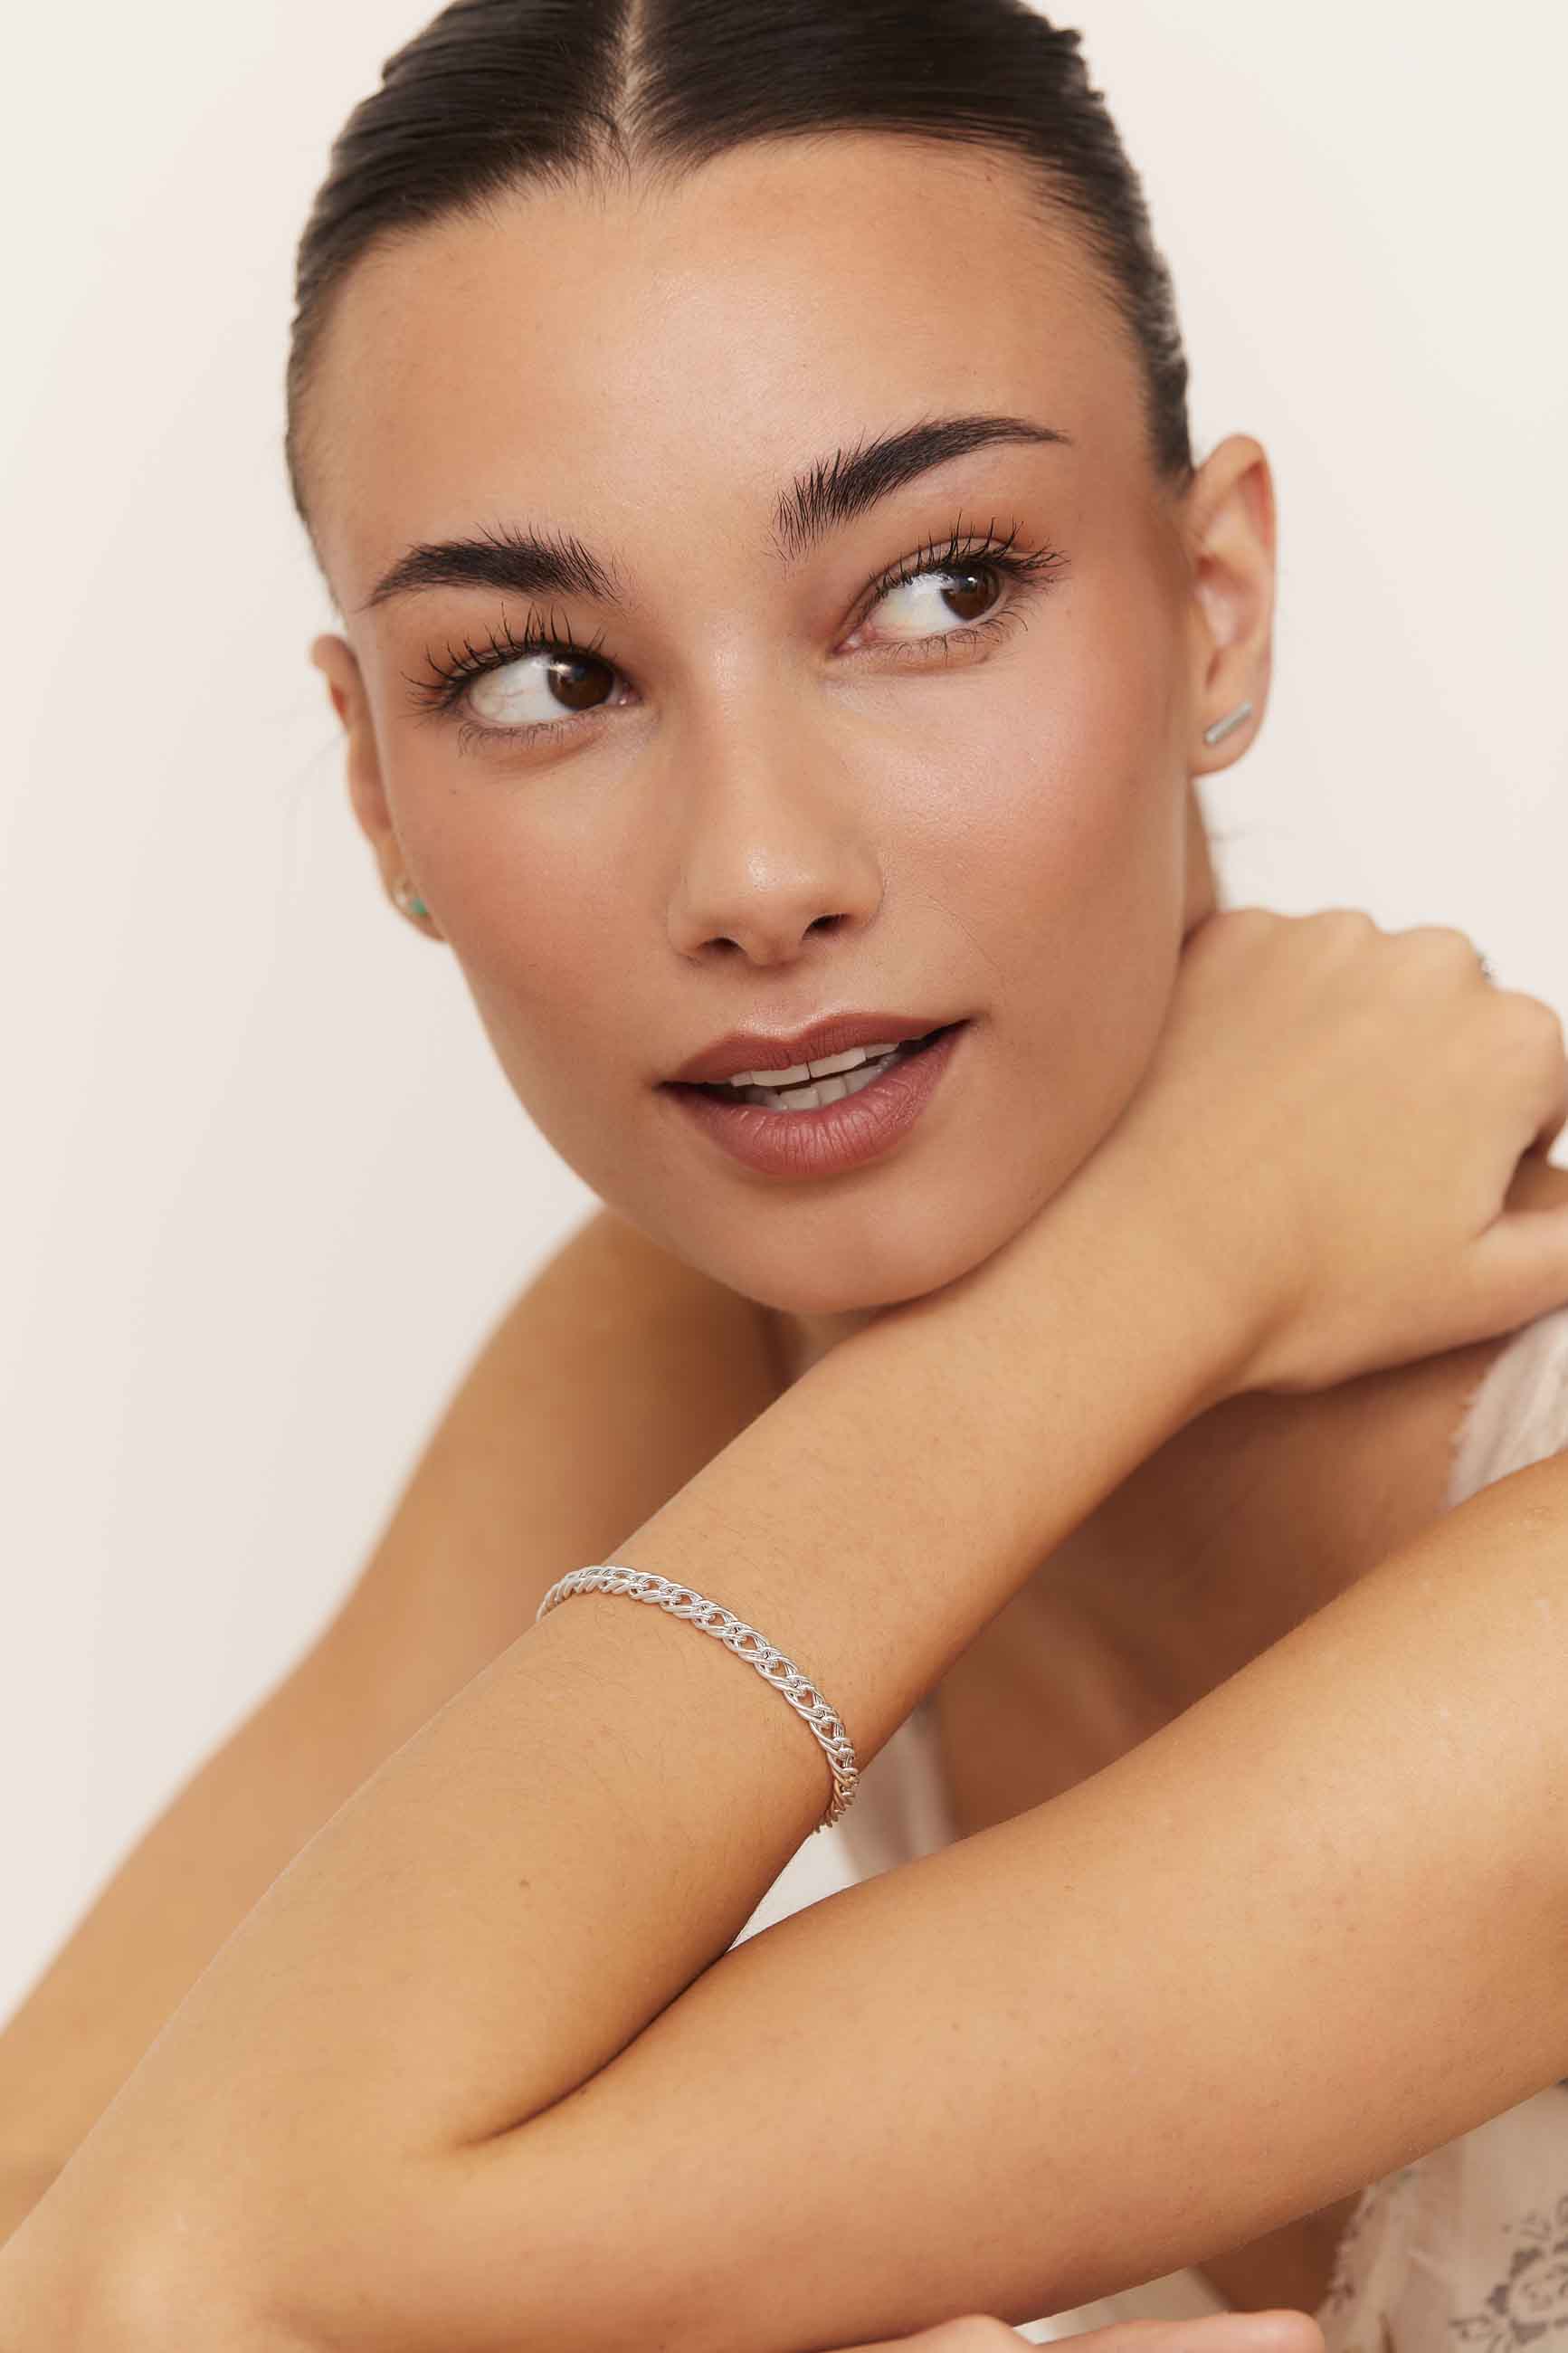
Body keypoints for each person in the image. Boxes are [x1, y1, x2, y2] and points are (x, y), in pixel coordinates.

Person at [0, 5, 1564, 2349]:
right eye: (543, 677)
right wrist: (1151, 1269)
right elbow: (67, 2237)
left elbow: (198, 2280)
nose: (757, 874)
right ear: (375, 787)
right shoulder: (690, 1340)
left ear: (1215, 603)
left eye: (937, 590)